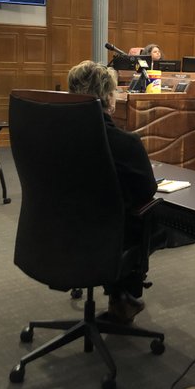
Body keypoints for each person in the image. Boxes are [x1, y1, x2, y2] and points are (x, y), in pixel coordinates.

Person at [67, 60, 158, 324]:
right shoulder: (124, 143)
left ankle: (120, 296)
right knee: (148, 217)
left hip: (59, 233)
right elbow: (147, 191)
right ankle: (122, 297)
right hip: (106, 238)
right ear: (108, 97)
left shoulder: (56, 136)